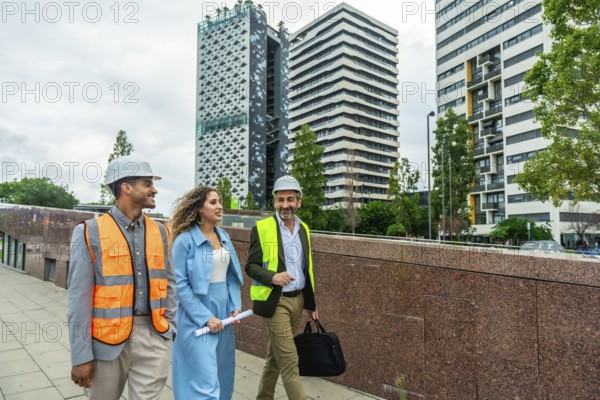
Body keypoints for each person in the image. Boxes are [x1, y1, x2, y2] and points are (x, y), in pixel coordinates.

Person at [67, 155, 176, 400]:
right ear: (126, 187)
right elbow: (78, 300)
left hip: (154, 335)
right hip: (105, 343)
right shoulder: (88, 232)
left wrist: (171, 329)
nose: (154, 189)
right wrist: (81, 356)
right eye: (147, 183)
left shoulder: (161, 231)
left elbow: (171, 284)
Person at [245, 175, 318, 400]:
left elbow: (308, 269)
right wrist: (273, 277)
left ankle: (263, 397)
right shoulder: (262, 227)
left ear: (299, 202)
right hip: (274, 302)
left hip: (297, 301)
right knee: (289, 359)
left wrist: (311, 304)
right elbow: (251, 266)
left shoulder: (304, 229)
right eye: (280, 200)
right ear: (274, 201)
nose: (285, 205)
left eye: (290, 199)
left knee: (275, 357)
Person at [170, 186, 244, 399]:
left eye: (219, 201)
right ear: (199, 209)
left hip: (223, 314)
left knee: (222, 372)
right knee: (204, 380)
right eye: (213, 202)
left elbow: (231, 276)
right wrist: (205, 317)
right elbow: (180, 286)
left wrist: (234, 307)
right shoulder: (184, 241)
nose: (219, 206)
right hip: (196, 316)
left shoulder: (224, 237)